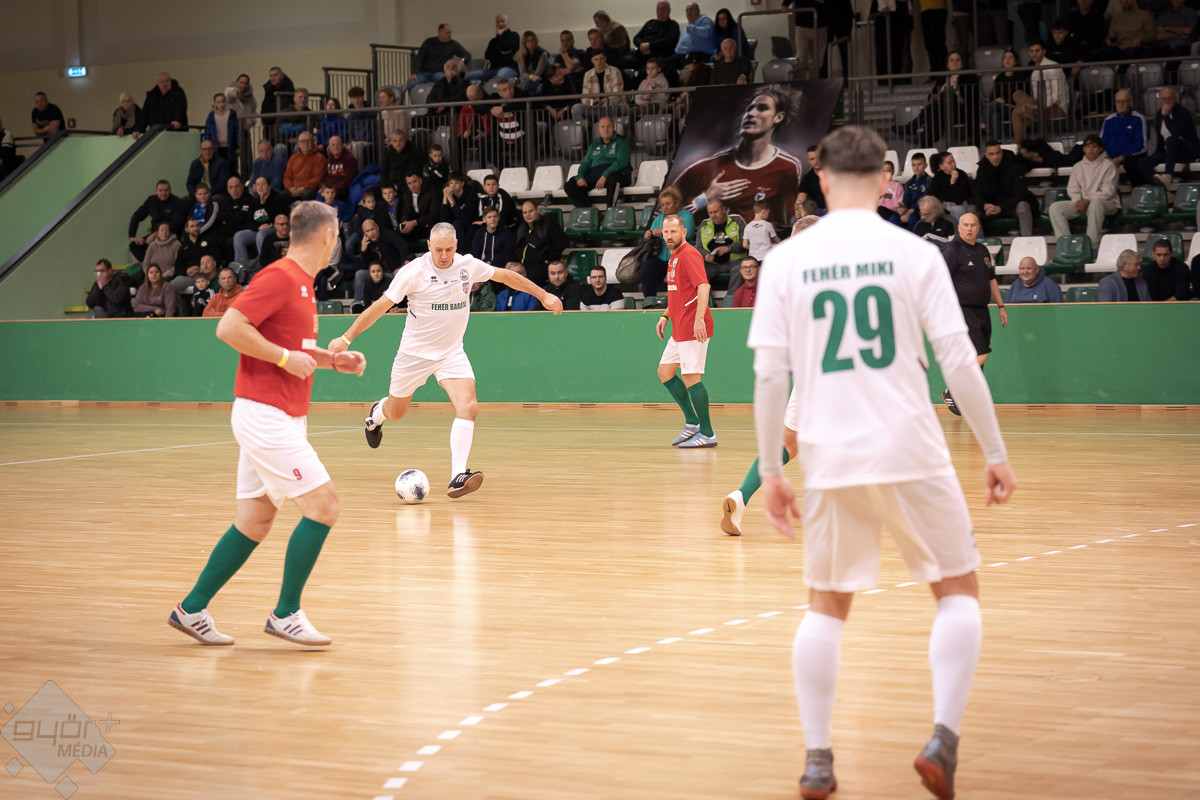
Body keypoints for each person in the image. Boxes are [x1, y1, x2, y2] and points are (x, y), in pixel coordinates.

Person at [747, 126, 1016, 800]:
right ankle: (942, 740)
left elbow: (769, 377)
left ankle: (817, 760)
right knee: (957, 591)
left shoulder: (786, 261)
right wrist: (994, 452)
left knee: (825, 608)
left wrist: (771, 471)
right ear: (886, 181)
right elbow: (960, 363)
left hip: (830, 454)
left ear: (823, 180)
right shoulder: (914, 253)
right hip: (911, 447)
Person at [168, 201, 368, 648]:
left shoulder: (303, 284)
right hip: (265, 414)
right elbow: (228, 327)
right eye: (336, 233)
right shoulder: (280, 277)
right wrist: (281, 358)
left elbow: (294, 348)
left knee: (256, 519)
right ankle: (286, 614)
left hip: (281, 415)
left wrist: (332, 361)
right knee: (324, 507)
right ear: (326, 236)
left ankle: (191, 609)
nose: (337, 240)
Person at [328, 222, 563, 498]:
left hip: (451, 353)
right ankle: (376, 415)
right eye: (438, 249)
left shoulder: (467, 266)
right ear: (429, 246)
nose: (443, 255)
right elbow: (380, 307)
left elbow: (505, 276)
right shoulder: (413, 272)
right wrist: (346, 338)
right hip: (414, 355)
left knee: (469, 406)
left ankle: (457, 476)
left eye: (449, 250)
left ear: (456, 246)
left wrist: (543, 294)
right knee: (396, 413)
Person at [675, 85, 804, 226]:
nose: (751, 113)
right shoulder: (704, 168)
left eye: (762, 108)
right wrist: (705, 198)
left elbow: (791, 220)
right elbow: (664, 215)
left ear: (779, 117)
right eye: (749, 108)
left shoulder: (787, 167)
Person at [655, 214, 716, 448]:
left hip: (693, 327)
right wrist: (665, 315)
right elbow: (678, 292)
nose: (669, 236)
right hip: (679, 327)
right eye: (665, 232)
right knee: (665, 372)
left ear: (684, 232)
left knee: (691, 377)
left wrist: (699, 319)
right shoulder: (674, 256)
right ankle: (692, 422)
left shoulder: (689, 254)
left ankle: (708, 434)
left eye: (673, 232)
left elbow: (703, 286)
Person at [940, 213, 1007, 416]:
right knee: (980, 355)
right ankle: (952, 390)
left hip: (982, 310)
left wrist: (1001, 305)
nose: (969, 228)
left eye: (973, 225)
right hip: (962, 310)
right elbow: (940, 278)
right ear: (959, 228)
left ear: (978, 228)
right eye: (965, 225)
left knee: (978, 356)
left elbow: (991, 280)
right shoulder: (953, 250)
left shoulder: (982, 250)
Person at [893, 52, 979, 145]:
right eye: (951, 60)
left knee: (938, 107)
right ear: (948, 64)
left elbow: (970, 100)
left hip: (960, 112)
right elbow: (931, 98)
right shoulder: (942, 78)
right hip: (941, 113)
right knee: (932, 122)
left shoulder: (969, 77)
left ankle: (912, 127)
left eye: (957, 60)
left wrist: (955, 91)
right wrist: (941, 90)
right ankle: (924, 146)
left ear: (962, 63)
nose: (954, 62)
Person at [1049, 134, 1119, 246]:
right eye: (1088, 146)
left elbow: (1108, 191)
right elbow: (1073, 188)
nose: (1091, 149)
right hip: (1083, 204)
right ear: (1084, 149)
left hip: (1107, 203)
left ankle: (1091, 245)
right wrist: (1077, 201)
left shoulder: (1109, 165)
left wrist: (1088, 201)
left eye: (1094, 146)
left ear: (1100, 149)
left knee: (1095, 204)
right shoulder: (1078, 166)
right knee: (1055, 208)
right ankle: (1066, 245)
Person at [1139, 87, 1200, 191]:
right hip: (1169, 152)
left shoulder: (1183, 113)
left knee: (1170, 140)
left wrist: (1166, 117)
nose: (1166, 102)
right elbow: (1160, 141)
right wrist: (1155, 157)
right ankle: (1161, 190)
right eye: (1164, 99)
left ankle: (1167, 177)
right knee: (1143, 162)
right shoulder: (1159, 115)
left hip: (1186, 152)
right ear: (1160, 100)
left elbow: (1174, 133)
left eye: (1169, 98)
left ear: (1175, 98)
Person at [564, 117, 632, 208]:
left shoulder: (621, 141)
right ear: (599, 129)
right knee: (570, 185)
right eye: (602, 127)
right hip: (596, 175)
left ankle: (610, 211)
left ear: (613, 128)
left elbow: (621, 162)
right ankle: (590, 212)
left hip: (618, 174)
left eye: (609, 127)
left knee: (612, 178)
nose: (605, 130)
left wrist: (605, 175)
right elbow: (585, 164)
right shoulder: (594, 144)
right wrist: (580, 177)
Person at [642, 187, 696, 299]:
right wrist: (648, 235)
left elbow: (687, 233)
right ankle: (650, 301)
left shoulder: (686, 216)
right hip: (662, 258)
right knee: (647, 268)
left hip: (682, 257)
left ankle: (682, 302)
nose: (665, 207)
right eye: (662, 205)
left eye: (668, 204)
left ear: (676, 203)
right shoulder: (659, 219)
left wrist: (663, 231)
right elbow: (651, 237)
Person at [972, 141, 1035, 237]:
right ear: (986, 155)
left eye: (998, 153)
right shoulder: (982, 169)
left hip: (1010, 207)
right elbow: (976, 193)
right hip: (990, 209)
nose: (995, 157)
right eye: (991, 154)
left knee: (1023, 205)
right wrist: (984, 205)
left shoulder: (1015, 165)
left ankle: (1027, 239)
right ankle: (979, 242)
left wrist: (1002, 208)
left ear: (1002, 152)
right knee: (971, 209)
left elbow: (1021, 193)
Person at [1010, 41, 1068, 146]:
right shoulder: (1034, 71)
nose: (1034, 54)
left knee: (1016, 113)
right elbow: (1036, 96)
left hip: (1056, 107)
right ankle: (1031, 111)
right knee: (1017, 94)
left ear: (1044, 51)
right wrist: (1035, 105)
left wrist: (1040, 106)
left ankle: (1020, 148)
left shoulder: (1052, 67)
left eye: (1037, 51)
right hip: (1040, 106)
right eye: (1031, 51)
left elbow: (1057, 94)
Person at [509, 201, 568, 286]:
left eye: (531, 211)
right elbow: (511, 247)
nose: (528, 215)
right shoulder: (521, 228)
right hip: (522, 266)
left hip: (540, 266)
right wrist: (510, 261)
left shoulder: (548, 225)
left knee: (533, 276)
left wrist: (548, 257)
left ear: (537, 210)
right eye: (525, 212)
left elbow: (563, 241)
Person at [128, 180, 188, 261]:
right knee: (134, 245)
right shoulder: (151, 201)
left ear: (170, 190)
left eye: (166, 190)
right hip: (154, 236)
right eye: (160, 190)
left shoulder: (178, 202)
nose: (163, 193)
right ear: (156, 191)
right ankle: (151, 263)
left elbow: (176, 225)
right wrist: (132, 236)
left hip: (171, 235)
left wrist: (156, 234)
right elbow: (137, 216)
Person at [1101, 90, 1149, 187]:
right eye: (1118, 102)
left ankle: (1137, 190)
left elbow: (1141, 145)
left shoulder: (1138, 118)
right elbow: (1102, 143)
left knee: (1130, 162)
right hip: (1110, 158)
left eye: (1124, 101)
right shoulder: (1108, 121)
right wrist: (1109, 158)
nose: (1121, 104)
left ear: (1130, 102)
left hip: (1131, 157)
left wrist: (1121, 157)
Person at [408, 23, 473, 90]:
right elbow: (419, 59)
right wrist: (414, 73)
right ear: (440, 33)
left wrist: (462, 60)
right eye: (447, 33)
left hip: (439, 72)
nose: (450, 35)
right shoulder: (429, 42)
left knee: (447, 83)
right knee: (411, 84)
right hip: (424, 72)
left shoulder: (453, 44)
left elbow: (467, 54)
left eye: (450, 33)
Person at [984, 50, 1028, 143]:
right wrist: (997, 99)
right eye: (1005, 58)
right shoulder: (999, 78)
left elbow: (1026, 96)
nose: (1007, 60)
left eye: (1010, 58)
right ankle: (999, 142)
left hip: (1014, 109)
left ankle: (983, 123)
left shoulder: (1021, 77)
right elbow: (993, 97)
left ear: (1016, 62)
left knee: (994, 110)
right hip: (1001, 108)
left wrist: (1014, 105)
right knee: (995, 113)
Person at [698, 198, 746, 279]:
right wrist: (706, 255)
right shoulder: (704, 225)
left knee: (741, 270)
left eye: (716, 212)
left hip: (735, 261)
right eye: (710, 213)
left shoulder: (737, 220)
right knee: (698, 274)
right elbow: (699, 247)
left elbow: (745, 242)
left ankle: (733, 289)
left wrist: (729, 248)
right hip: (712, 264)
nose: (713, 215)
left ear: (723, 209)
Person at [571, 51, 625, 122]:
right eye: (596, 59)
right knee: (576, 108)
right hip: (595, 108)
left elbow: (617, 96)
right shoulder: (588, 74)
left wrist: (602, 101)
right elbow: (584, 96)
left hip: (612, 107)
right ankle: (585, 127)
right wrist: (588, 101)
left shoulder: (615, 71)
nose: (599, 62)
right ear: (592, 60)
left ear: (605, 59)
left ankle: (605, 125)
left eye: (601, 59)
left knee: (607, 105)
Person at [469, 14, 521, 82]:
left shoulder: (514, 36)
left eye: (503, 21)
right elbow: (487, 56)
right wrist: (503, 54)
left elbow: (504, 47)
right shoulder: (493, 41)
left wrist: (499, 36)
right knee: (469, 76)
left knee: (500, 77)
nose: (500, 24)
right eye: (498, 22)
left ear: (508, 22)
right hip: (494, 69)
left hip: (509, 68)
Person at [633, 1, 682, 72]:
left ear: (669, 10)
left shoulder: (673, 25)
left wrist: (650, 46)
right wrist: (641, 45)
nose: (661, 12)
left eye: (663, 9)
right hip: (642, 53)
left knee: (645, 70)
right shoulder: (650, 23)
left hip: (660, 56)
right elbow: (637, 37)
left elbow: (669, 41)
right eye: (659, 9)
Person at [668, 2, 716, 70]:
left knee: (668, 65)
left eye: (691, 10)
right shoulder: (689, 25)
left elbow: (707, 32)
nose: (689, 12)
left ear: (698, 11)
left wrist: (692, 28)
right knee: (663, 64)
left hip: (698, 54)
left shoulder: (704, 20)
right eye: (687, 10)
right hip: (681, 54)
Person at [930, 152, 974, 223]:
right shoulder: (938, 177)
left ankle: (957, 229)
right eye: (949, 163)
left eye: (953, 161)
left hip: (961, 204)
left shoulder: (962, 174)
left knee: (957, 209)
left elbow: (958, 201)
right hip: (945, 205)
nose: (953, 164)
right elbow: (934, 195)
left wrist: (953, 182)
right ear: (942, 166)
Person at [397, 172, 439, 246]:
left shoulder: (432, 191)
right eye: (409, 183)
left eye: (415, 182)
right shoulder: (407, 194)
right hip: (415, 225)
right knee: (400, 231)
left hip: (428, 223)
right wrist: (405, 222)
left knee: (433, 228)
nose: (413, 186)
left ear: (420, 180)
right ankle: (407, 253)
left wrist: (415, 222)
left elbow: (434, 215)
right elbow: (405, 212)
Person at [1144, 238, 1191, 302]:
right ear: (1153, 254)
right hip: (1154, 305)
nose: (1162, 259)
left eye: (1165, 255)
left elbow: (1181, 294)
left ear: (1171, 254)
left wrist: (1163, 305)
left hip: (1177, 305)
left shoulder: (1182, 268)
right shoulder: (1149, 270)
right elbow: (1145, 294)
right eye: (1159, 255)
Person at [284, 132, 327, 201]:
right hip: (294, 188)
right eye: (302, 141)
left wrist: (303, 188)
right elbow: (287, 177)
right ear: (298, 143)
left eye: (308, 141)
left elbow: (318, 178)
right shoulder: (293, 158)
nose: (305, 143)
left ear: (313, 142)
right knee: (283, 196)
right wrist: (290, 188)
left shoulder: (319, 158)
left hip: (310, 188)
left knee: (306, 195)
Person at [204, 93, 240, 164]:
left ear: (226, 102)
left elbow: (237, 131)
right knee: (218, 165)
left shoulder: (231, 114)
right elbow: (208, 132)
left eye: (223, 101)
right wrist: (207, 147)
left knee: (231, 166)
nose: (221, 104)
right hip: (216, 147)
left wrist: (238, 146)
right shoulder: (211, 116)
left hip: (230, 146)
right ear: (215, 103)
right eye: (218, 102)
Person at [515, 31, 550, 95]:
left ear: (536, 41)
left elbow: (537, 75)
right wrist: (531, 76)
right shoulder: (521, 55)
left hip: (540, 81)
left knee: (528, 86)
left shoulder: (543, 54)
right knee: (524, 84)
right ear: (524, 43)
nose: (531, 43)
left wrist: (529, 77)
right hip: (525, 81)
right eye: (528, 41)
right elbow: (522, 73)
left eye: (532, 40)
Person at [796, 147, 826, 214]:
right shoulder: (807, 178)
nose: (816, 161)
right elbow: (800, 200)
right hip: (814, 212)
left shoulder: (833, 174)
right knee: (794, 218)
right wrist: (798, 211)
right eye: (812, 159)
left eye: (818, 158)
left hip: (833, 210)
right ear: (809, 161)